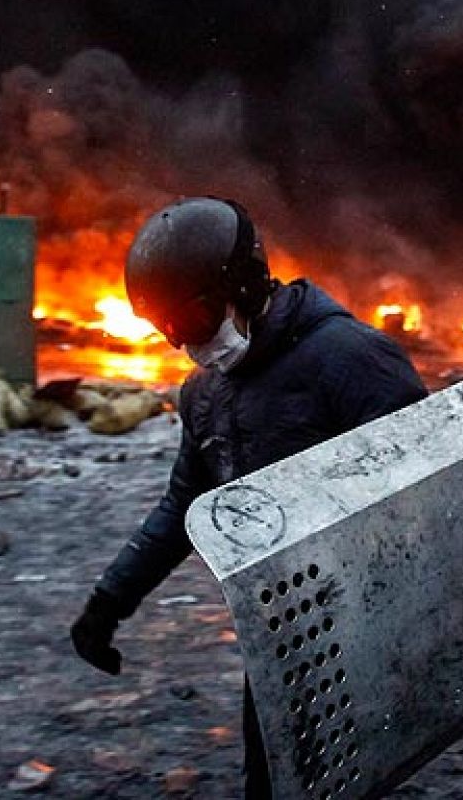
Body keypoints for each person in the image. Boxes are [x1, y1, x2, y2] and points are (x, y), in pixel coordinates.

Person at [68, 197, 427, 797]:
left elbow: (427, 494)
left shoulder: (350, 359)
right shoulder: (205, 392)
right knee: (273, 772)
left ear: (245, 283)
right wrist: (109, 602)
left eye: (194, 320)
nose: (186, 344)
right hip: (282, 630)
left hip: (365, 625)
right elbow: (186, 509)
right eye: (169, 331)